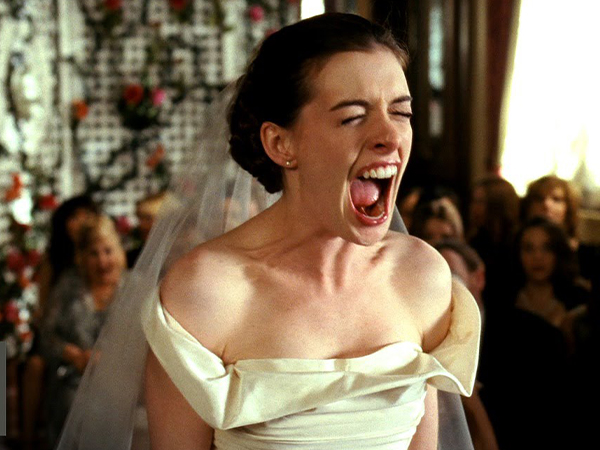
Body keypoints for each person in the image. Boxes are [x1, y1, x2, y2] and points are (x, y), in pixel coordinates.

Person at [55, 13, 480, 450]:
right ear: (280, 143)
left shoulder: (422, 275)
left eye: (401, 112)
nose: (390, 136)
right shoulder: (205, 292)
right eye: (353, 117)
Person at [40, 215, 127, 448]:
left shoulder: (133, 286)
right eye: (93, 254)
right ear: (82, 257)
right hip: (72, 376)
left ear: (118, 252)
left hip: (119, 379)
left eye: (108, 251)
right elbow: (46, 336)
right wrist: (73, 354)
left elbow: (142, 342)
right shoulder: (68, 285)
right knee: (72, 403)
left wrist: (107, 360)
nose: (102, 261)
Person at [19, 195, 99, 450]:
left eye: (85, 215)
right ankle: (27, 437)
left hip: (90, 333)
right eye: (73, 217)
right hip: (56, 332)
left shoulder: (102, 253)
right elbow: (43, 309)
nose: (79, 222)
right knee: (35, 365)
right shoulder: (55, 260)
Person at [434, 239, 499, 450]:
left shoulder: (527, 335)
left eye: (452, 274)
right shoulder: (421, 337)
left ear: (478, 278)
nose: (444, 285)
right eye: (435, 275)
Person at [127, 192, 167, 268]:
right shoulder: (132, 257)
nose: (141, 225)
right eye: (140, 218)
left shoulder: (179, 257)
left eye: (148, 219)